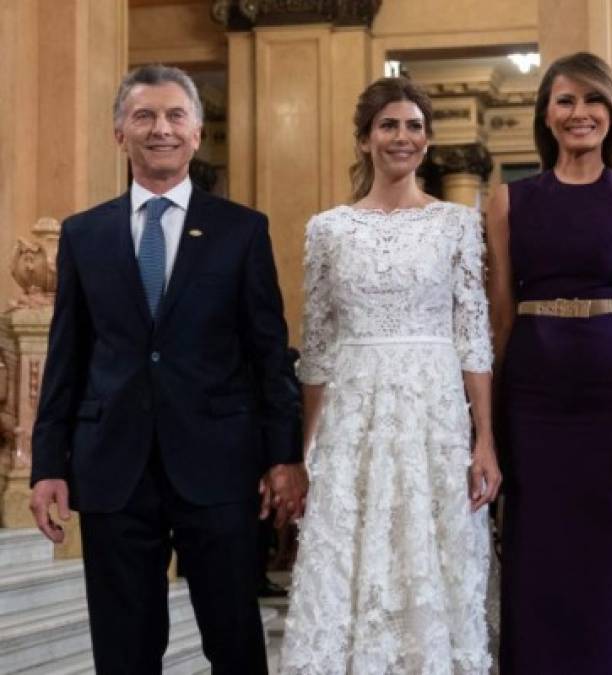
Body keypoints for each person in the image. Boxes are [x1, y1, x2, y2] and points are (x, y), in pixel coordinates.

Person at [28, 64, 306, 674]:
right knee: (124, 649)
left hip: (219, 465)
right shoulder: (84, 234)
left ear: (197, 133)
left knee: (234, 639)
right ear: (119, 133)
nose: (161, 129)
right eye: (144, 116)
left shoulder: (241, 231)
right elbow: (67, 354)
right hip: (111, 467)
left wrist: (284, 456)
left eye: (176, 115)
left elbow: (269, 352)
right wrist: (48, 464)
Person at [278, 77, 501, 674]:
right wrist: (302, 452)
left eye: (413, 127)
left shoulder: (457, 223)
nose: (402, 137)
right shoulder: (329, 229)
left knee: (429, 555)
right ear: (365, 139)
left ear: (427, 142)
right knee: (351, 557)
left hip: (433, 412)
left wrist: (485, 440)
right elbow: (318, 348)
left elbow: (473, 336)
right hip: (354, 415)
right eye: (389, 126)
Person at [487, 52, 612, 674]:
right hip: (533, 386)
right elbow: (501, 317)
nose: (579, 113)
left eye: (592, 100)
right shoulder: (507, 202)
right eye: (564, 101)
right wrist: (486, 420)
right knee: (537, 544)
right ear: (545, 114)